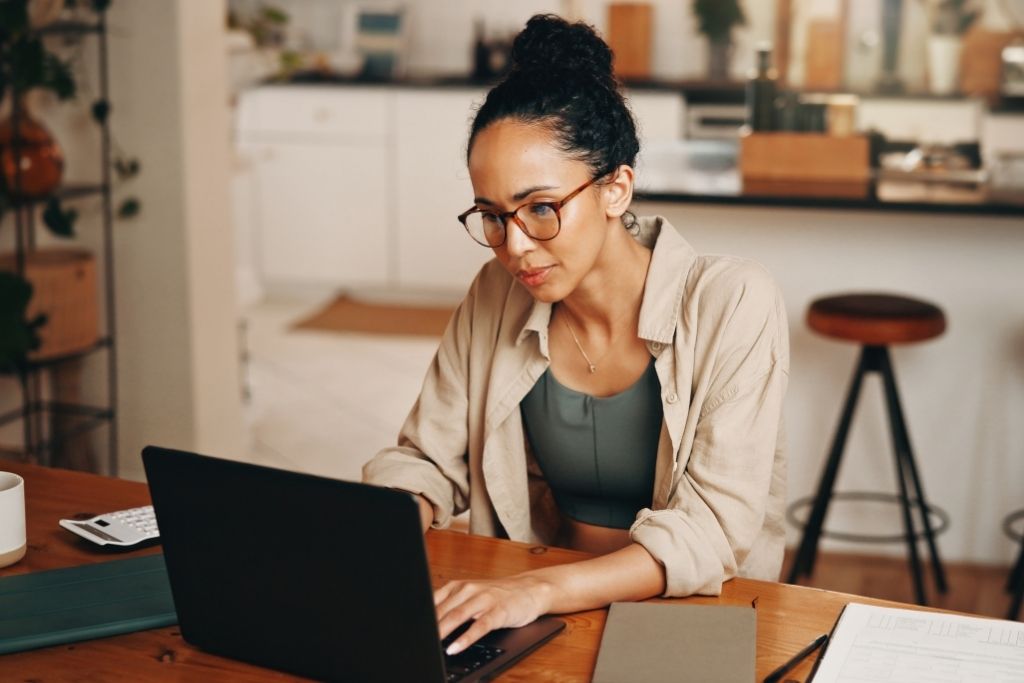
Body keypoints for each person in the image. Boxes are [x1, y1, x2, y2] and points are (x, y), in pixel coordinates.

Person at [363, 14, 788, 656]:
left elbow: (713, 532)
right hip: (542, 606)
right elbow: (427, 460)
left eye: (540, 208)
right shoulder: (493, 294)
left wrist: (536, 591)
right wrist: (368, 532)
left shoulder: (732, 301)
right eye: (492, 216)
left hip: (689, 613)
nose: (514, 246)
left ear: (616, 188)